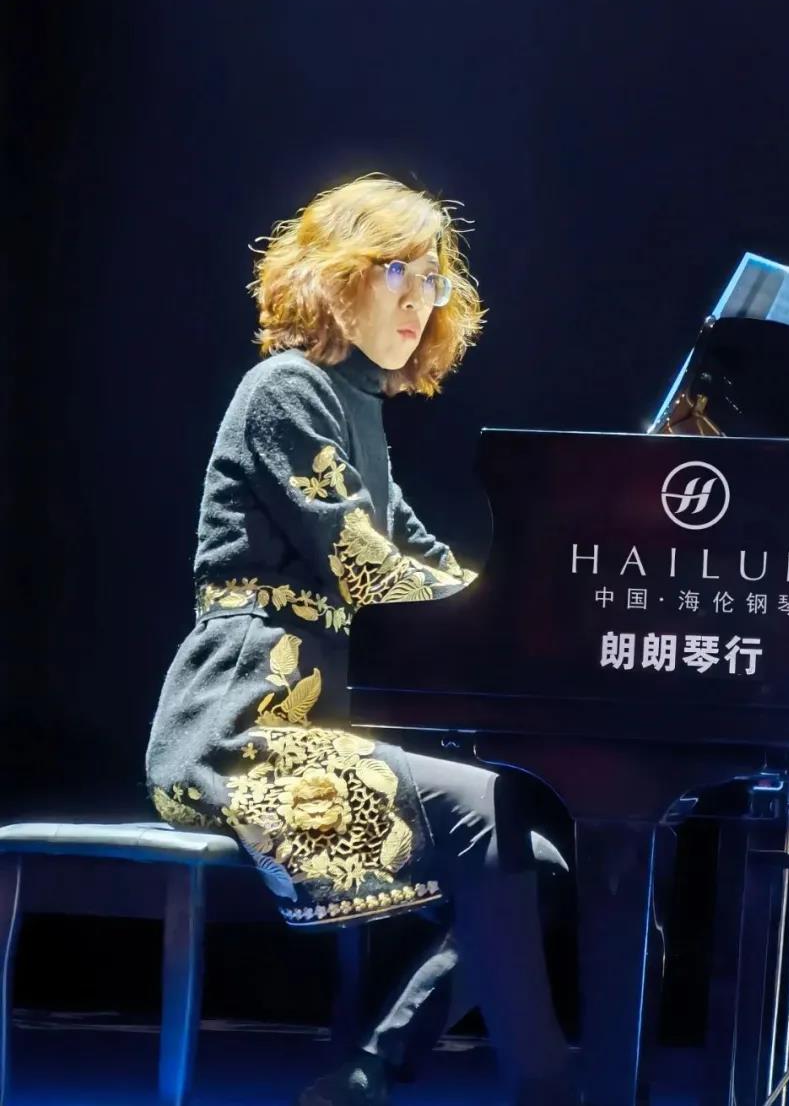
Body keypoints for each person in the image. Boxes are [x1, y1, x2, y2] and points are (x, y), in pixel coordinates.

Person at [146, 175, 575, 1106]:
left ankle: (366, 1075)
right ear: (335, 274)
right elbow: (366, 565)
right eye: (397, 271)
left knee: (538, 865)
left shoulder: (358, 411)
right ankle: (548, 1092)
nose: (422, 300)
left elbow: (430, 563)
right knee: (488, 806)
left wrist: (534, 615)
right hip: (237, 732)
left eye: (434, 279)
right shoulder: (284, 389)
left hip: (318, 731)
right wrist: (505, 617)